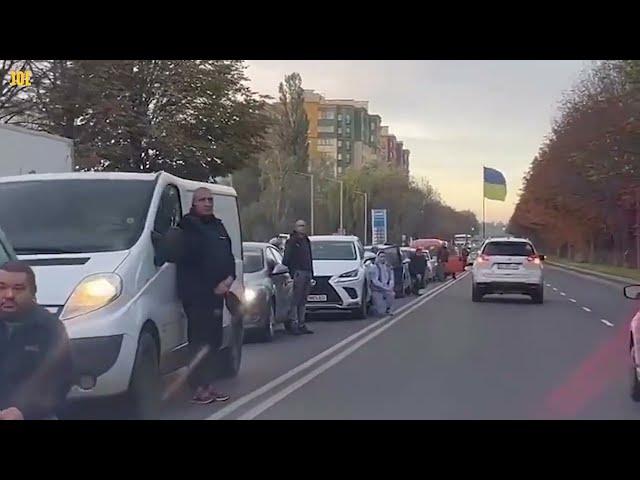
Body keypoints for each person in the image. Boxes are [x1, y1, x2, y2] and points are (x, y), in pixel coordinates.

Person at [177, 187, 235, 404]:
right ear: (194, 203)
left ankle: (209, 385)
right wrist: (213, 285)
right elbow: (190, 263)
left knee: (214, 341)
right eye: (202, 200)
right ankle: (198, 387)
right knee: (199, 341)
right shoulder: (188, 227)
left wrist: (229, 279)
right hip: (197, 295)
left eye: (210, 199)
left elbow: (228, 255)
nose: (208, 203)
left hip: (218, 294)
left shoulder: (218, 226)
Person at [0, 260, 73, 420]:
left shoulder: (50, 329)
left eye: (18, 289)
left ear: (33, 293)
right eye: (2, 287)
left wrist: (22, 411)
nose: (9, 295)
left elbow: (56, 382)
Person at [282, 220, 314, 335]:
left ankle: (302, 323)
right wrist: (292, 272)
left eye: (304, 226)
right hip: (298, 273)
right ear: (296, 227)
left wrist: (311, 272)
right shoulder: (292, 241)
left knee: (303, 300)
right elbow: (286, 258)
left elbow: (309, 257)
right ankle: (294, 323)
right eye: (300, 226)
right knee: (295, 300)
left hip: (307, 272)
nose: (302, 228)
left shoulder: (306, 240)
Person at [368, 251, 395, 316]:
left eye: (384, 257)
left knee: (391, 295)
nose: (383, 258)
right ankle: (374, 308)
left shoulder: (388, 267)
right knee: (380, 312)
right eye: (381, 257)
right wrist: (384, 287)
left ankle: (388, 309)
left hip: (386, 288)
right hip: (377, 289)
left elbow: (392, 278)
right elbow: (375, 281)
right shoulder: (374, 267)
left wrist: (390, 286)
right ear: (378, 257)